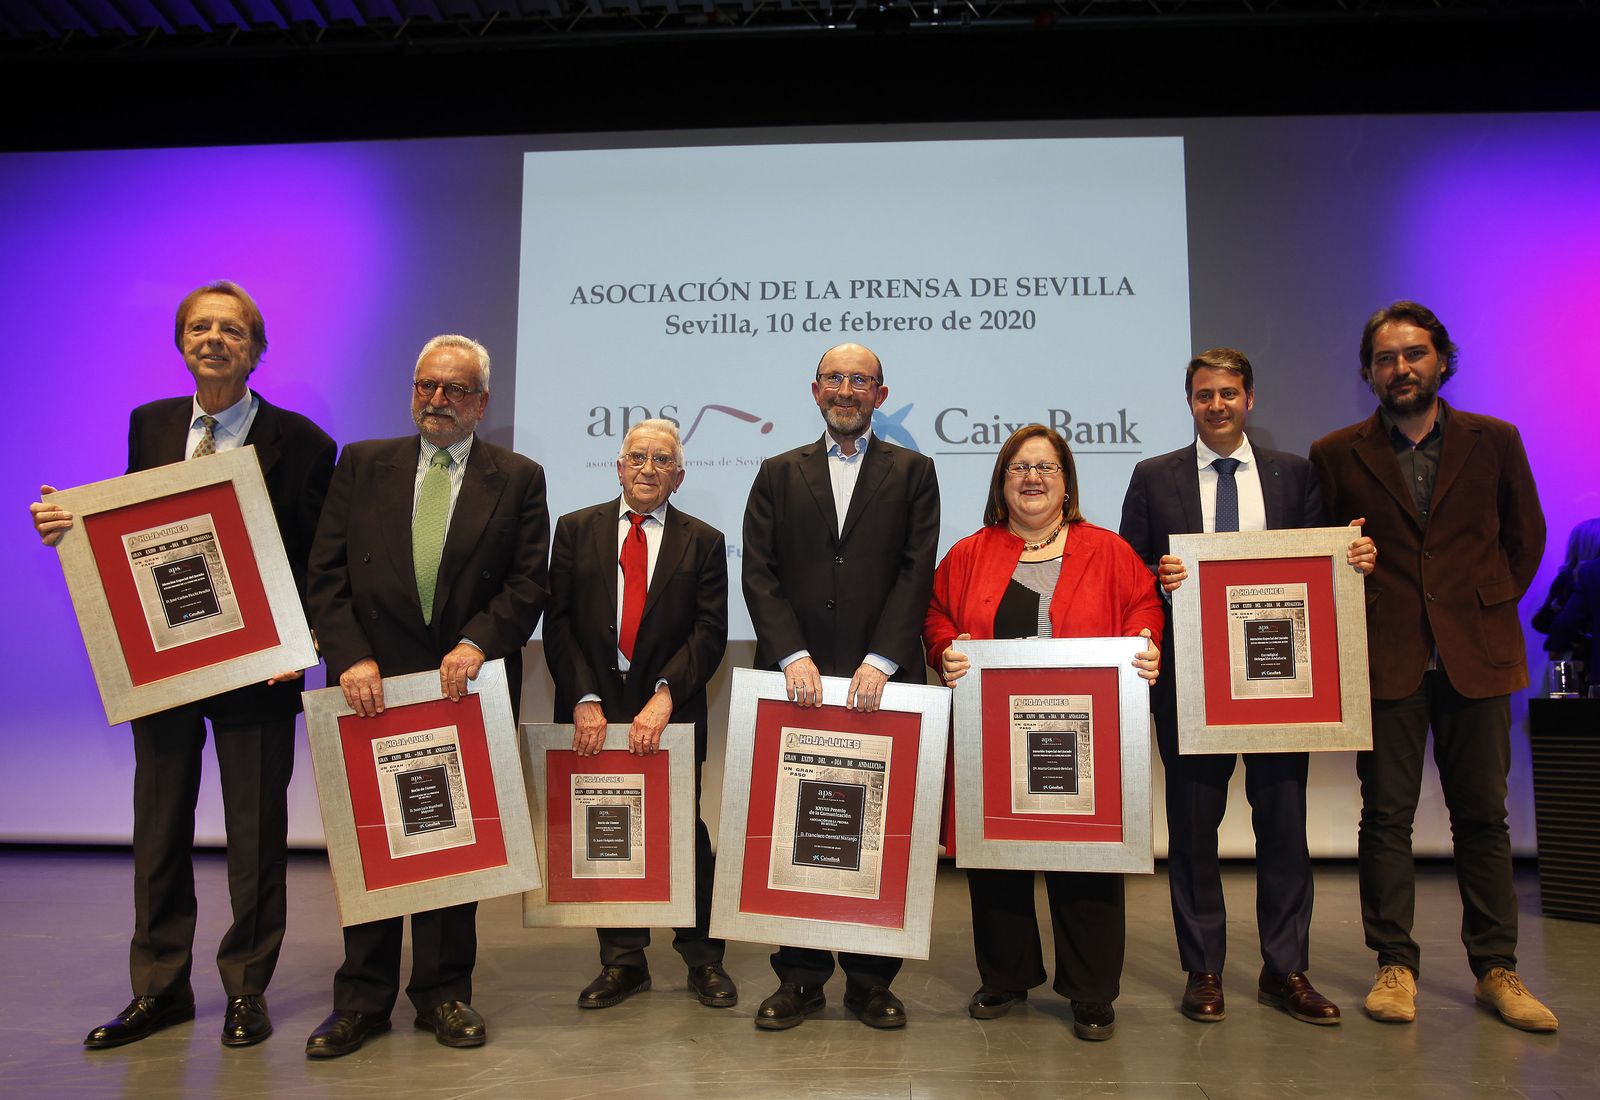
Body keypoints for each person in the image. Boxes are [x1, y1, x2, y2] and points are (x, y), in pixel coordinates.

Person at [30, 280, 336, 1050]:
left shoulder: (304, 443)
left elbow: (318, 560)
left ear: (256, 349)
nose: (213, 339)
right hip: (165, 666)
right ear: (181, 343)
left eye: (231, 330)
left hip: (258, 670)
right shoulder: (152, 424)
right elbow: (137, 532)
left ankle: (245, 991)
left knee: (256, 840)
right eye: (199, 327)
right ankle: (160, 989)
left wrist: (300, 646)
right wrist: (70, 524)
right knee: (158, 830)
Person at [1310, 301, 1557, 1032]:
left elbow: (1526, 538)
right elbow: (1321, 553)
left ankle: (1497, 970)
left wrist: (1478, 606)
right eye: (1386, 359)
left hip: (1475, 657)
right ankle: (1395, 965)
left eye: (1414, 354)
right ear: (1368, 373)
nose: (1401, 369)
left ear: (1441, 360)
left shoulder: (1495, 440)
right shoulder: (1336, 452)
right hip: (1386, 658)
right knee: (1384, 818)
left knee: (1482, 817)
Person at [302, 334, 549, 1057]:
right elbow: (326, 574)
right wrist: (350, 656)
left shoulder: (519, 476)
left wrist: (477, 643)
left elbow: (528, 581)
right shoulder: (362, 463)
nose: (437, 401)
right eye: (426, 387)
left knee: (450, 844)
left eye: (454, 389)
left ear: (481, 402)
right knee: (372, 847)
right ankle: (361, 1001)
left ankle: (444, 994)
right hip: (367, 685)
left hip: (458, 687)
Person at [1118, 348, 1376, 1028]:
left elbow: (1321, 564)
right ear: (1191, 403)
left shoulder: (1295, 476)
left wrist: (1350, 557)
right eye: (1204, 395)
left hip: (1277, 682)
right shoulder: (1153, 477)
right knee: (1195, 833)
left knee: (1285, 828)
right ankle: (1203, 969)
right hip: (1190, 685)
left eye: (1229, 393)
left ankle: (1285, 970)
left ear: (1250, 399)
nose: (1218, 405)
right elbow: (1128, 569)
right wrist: (1160, 575)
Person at [925, 424, 1160, 1041]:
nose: (1032, 478)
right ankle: (1005, 976)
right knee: (997, 857)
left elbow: (1143, 606)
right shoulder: (970, 552)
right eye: (1018, 468)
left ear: (1066, 482)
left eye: (1046, 468)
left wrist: (1146, 642)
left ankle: (1091, 991)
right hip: (995, 735)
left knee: (1086, 858)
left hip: (1084, 737)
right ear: (1002, 484)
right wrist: (945, 649)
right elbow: (938, 616)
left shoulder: (1106, 549)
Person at [741, 342, 940, 1030]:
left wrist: (880, 660)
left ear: (881, 395)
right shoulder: (775, 472)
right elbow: (759, 573)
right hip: (796, 682)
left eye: (860, 380)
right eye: (835, 379)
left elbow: (918, 571)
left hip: (880, 684)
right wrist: (791, 653)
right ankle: (797, 978)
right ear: (815, 390)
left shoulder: (915, 472)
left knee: (877, 831)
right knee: (796, 827)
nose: (846, 390)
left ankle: (870, 981)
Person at [544, 418, 735, 1011]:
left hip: (670, 705)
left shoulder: (703, 540)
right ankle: (623, 962)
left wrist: (664, 696)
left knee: (684, 828)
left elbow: (710, 633)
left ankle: (702, 957)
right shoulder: (575, 529)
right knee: (610, 833)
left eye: (661, 460)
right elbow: (561, 625)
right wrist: (585, 699)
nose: (647, 468)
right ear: (618, 466)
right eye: (637, 457)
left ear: (679, 475)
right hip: (594, 706)